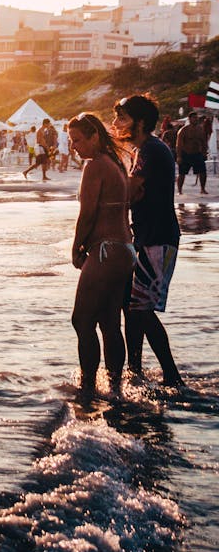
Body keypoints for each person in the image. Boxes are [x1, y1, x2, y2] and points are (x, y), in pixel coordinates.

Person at [112, 94, 184, 387]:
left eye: (122, 118)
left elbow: (130, 192)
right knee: (132, 306)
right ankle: (136, 371)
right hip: (150, 237)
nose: (116, 124)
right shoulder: (149, 149)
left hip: (158, 239)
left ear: (139, 123)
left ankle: (171, 376)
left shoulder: (149, 151)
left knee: (139, 308)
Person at [67, 113, 133, 399]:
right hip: (124, 251)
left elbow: (88, 213)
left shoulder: (95, 166)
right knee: (109, 322)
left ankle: (88, 388)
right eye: (71, 142)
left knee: (81, 321)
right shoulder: (115, 163)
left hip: (105, 251)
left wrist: (76, 247)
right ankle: (116, 388)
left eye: (78, 140)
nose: (75, 148)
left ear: (94, 136)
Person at [175, 112, 209, 195]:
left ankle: (202, 189)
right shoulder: (183, 130)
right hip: (185, 154)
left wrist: (204, 153)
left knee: (203, 172)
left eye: (196, 118)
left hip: (197, 154)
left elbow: (204, 142)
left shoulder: (200, 129)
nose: (196, 119)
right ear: (189, 119)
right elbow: (179, 144)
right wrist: (179, 156)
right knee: (182, 173)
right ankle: (180, 190)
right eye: (194, 118)